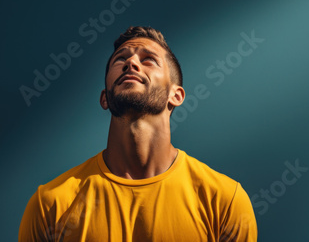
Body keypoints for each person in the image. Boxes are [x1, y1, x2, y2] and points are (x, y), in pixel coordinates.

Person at [18, 26, 257, 241]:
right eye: (120, 59)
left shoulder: (224, 201)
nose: (131, 63)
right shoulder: (50, 205)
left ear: (176, 95)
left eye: (149, 60)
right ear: (105, 98)